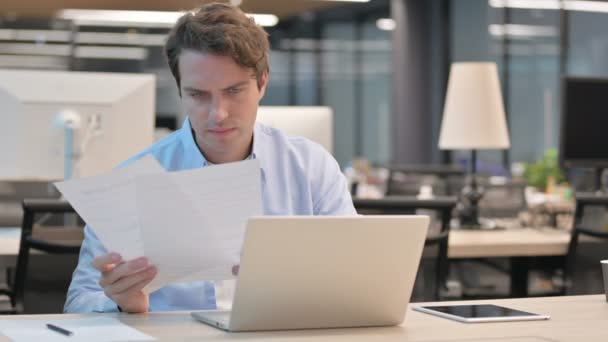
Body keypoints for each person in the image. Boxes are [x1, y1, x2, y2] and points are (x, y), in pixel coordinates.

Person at [64, 3, 356, 314]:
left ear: (263, 83)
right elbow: (77, 303)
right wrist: (120, 305)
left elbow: (357, 275)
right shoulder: (133, 182)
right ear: (180, 91)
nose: (218, 114)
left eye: (234, 91)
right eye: (198, 95)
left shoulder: (311, 168)